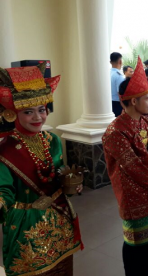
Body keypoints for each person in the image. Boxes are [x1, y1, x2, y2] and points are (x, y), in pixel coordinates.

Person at [0, 63, 83, 275]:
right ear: (12, 114)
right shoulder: (5, 149)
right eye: (28, 112)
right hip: (27, 228)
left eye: (41, 110)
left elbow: (57, 170)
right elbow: (4, 191)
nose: (38, 117)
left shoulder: (51, 139)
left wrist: (70, 181)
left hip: (60, 220)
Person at [102, 57, 148, 276]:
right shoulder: (115, 132)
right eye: (146, 98)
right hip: (134, 197)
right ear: (133, 101)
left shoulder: (145, 122)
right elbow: (132, 166)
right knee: (137, 247)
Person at [110, 52, 125, 116]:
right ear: (120, 61)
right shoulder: (119, 76)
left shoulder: (108, 73)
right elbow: (120, 94)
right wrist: (125, 107)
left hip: (108, 104)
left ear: (110, 62)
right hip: (117, 105)